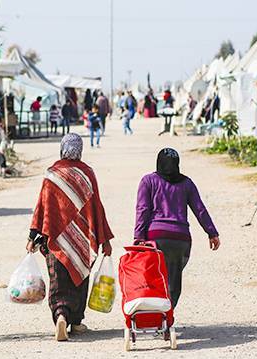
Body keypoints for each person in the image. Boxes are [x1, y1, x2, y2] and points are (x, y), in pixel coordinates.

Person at [28, 133, 113, 341]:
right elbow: (97, 208)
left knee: (58, 280)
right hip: (82, 240)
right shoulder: (88, 174)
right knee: (79, 279)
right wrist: (105, 240)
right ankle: (75, 321)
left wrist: (32, 235)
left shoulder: (52, 175)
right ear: (80, 150)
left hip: (55, 240)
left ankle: (60, 316)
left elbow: (42, 208)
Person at [134, 148, 220, 307]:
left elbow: (143, 209)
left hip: (155, 238)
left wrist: (138, 237)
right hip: (180, 239)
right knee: (173, 280)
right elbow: (199, 209)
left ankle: (154, 315)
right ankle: (167, 316)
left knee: (154, 277)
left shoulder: (148, 181)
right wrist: (212, 233)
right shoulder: (187, 183)